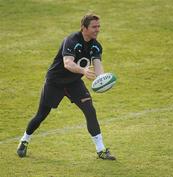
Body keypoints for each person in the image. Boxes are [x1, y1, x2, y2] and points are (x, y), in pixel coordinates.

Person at [17, 13, 116, 160]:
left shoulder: (96, 46)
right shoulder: (71, 40)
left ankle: (101, 150)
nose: (97, 29)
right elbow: (67, 63)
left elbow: (97, 65)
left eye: (99, 26)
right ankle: (24, 140)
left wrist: (102, 80)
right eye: (94, 27)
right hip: (54, 82)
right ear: (84, 28)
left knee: (90, 111)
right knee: (41, 115)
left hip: (74, 83)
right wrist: (83, 71)